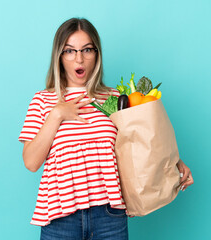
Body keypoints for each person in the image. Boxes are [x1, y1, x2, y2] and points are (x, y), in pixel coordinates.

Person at [18, 17, 194, 240]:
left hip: (109, 215)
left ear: (96, 54)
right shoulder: (42, 101)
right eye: (70, 51)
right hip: (60, 216)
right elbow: (31, 162)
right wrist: (57, 114)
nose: (79, 59)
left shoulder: (113, 99)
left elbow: (140, 145)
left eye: (87, 50)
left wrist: (175, 163)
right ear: (59, 57)